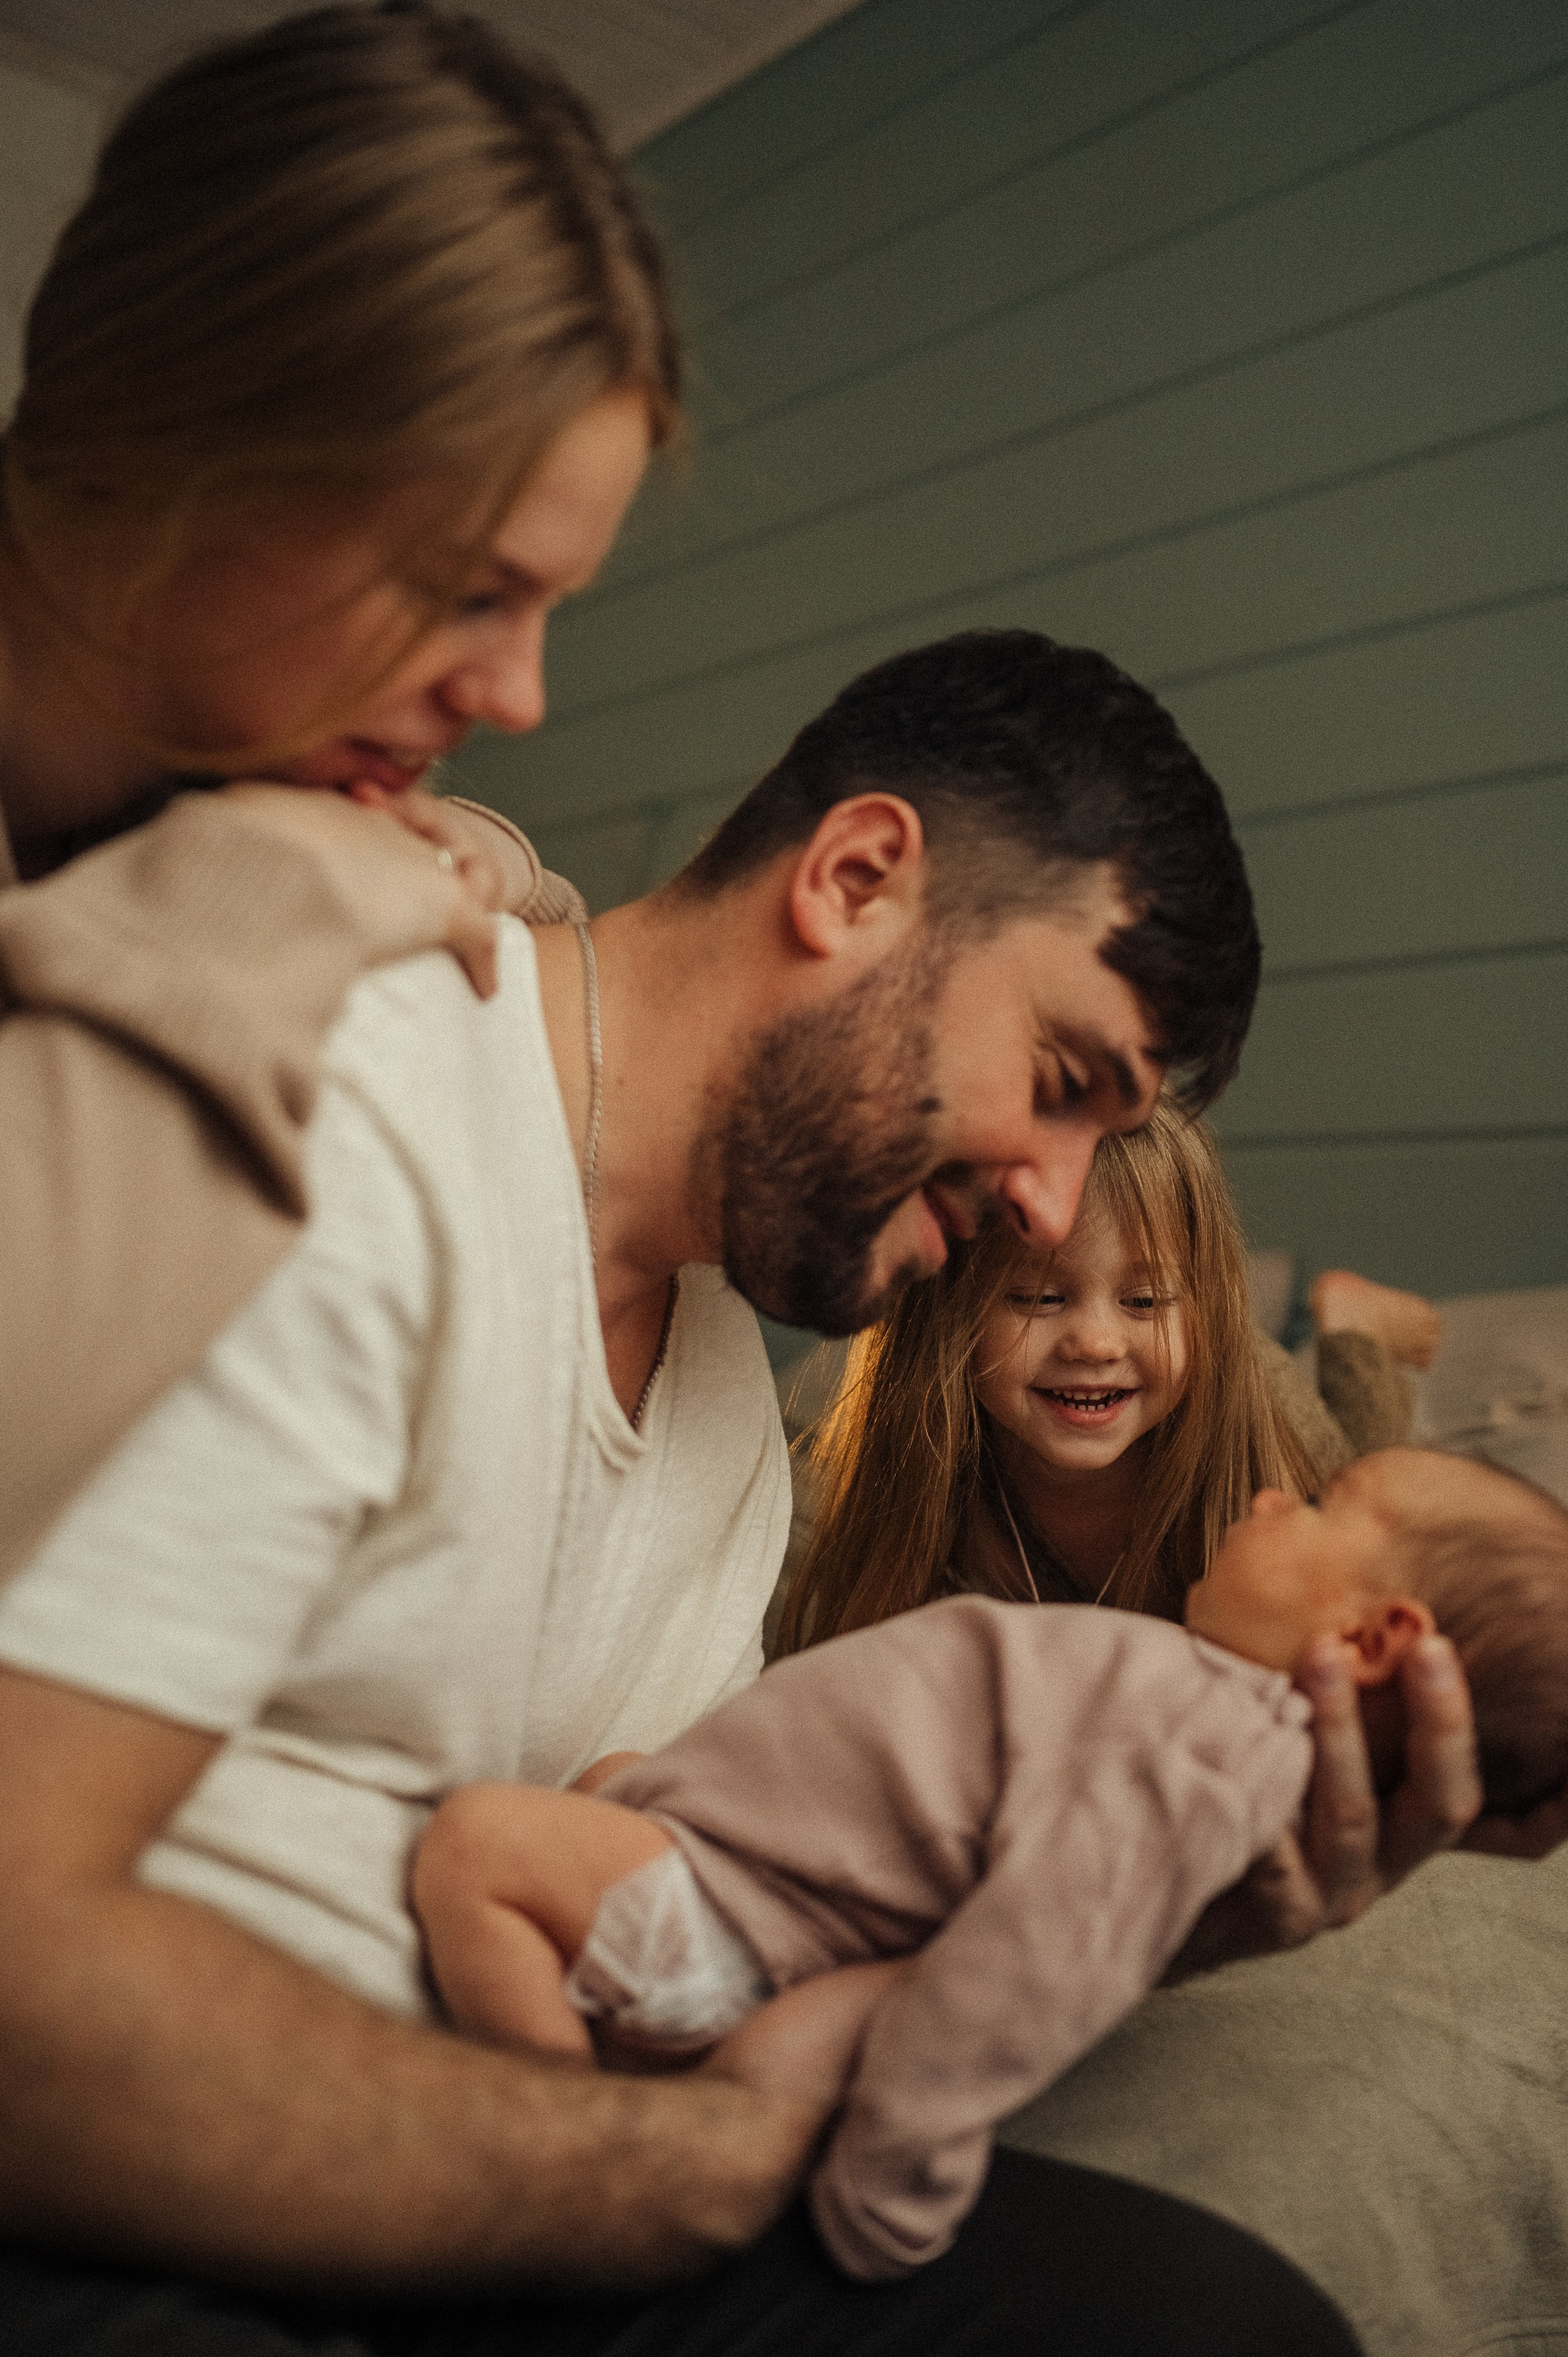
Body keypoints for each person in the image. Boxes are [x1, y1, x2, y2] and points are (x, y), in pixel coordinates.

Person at [0, 608, 1401, 2354]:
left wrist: (1156, 1888)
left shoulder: (733, 1397)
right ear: (860, 878)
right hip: (174, 2185)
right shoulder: (349, 1106)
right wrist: (686, 2169)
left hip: (538, 2167)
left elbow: (703, 1909)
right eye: (1058, 1085)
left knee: (1215, 2321)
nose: (1047, 1202)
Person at [0, 0, 673, 1576]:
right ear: (178, 443)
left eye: (545, 607)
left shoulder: (204, 784)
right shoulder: (233, 869)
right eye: (459, 589)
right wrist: (261, 899)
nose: (516, 697)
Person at [413, 1448, 1568, 2284]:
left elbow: (1038, 1955)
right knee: (616, 1770)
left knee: (478, 1845)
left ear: (1372, 1639)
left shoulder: (1213, 1747)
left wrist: (900, 2169)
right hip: (749, 1872)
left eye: (1322, 1503)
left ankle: (563, 2164)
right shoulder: (1205, 1711)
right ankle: (636, 2081)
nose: (1274, 1493)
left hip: (740, 1902)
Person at [777, 1099, 1448, 1642]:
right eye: (1039, 1297)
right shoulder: (910, 1477)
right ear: (951, 1312)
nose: (1096, 1342)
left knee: (1375, 1480)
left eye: (1142, 1299)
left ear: (1204, 1305)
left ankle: (1354, 1324)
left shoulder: (1260, 1458)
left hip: (1250, 1386)